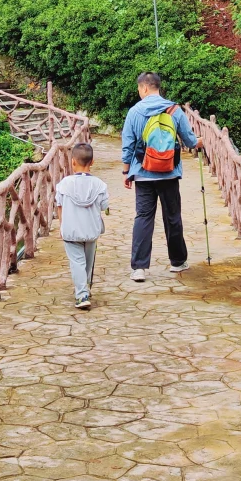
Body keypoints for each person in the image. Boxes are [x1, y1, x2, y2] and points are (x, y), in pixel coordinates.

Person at [121, 71, 198, 283]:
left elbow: (127, 144)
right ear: (157, 87)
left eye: (139, 89)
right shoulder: (174, 110)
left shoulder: (135, 112)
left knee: (144, 217)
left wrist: (126, 171)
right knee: (172, 217)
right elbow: (190, 141)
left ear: (145, 88)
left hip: (143, 173)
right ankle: (177, 261)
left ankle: (139, 268)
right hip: (169, 173)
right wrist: (200, 142)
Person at [55, 142, 110, 310]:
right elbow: (104, 206)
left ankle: (82, 295)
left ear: (73, 162)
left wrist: (61, 225)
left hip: (71, 231)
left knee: (77, 262)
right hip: (91, 230)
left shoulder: (64, 184)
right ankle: (85, 288)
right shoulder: (100, 185)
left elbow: (59, 206)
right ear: (92, 162)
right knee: (88, 261)